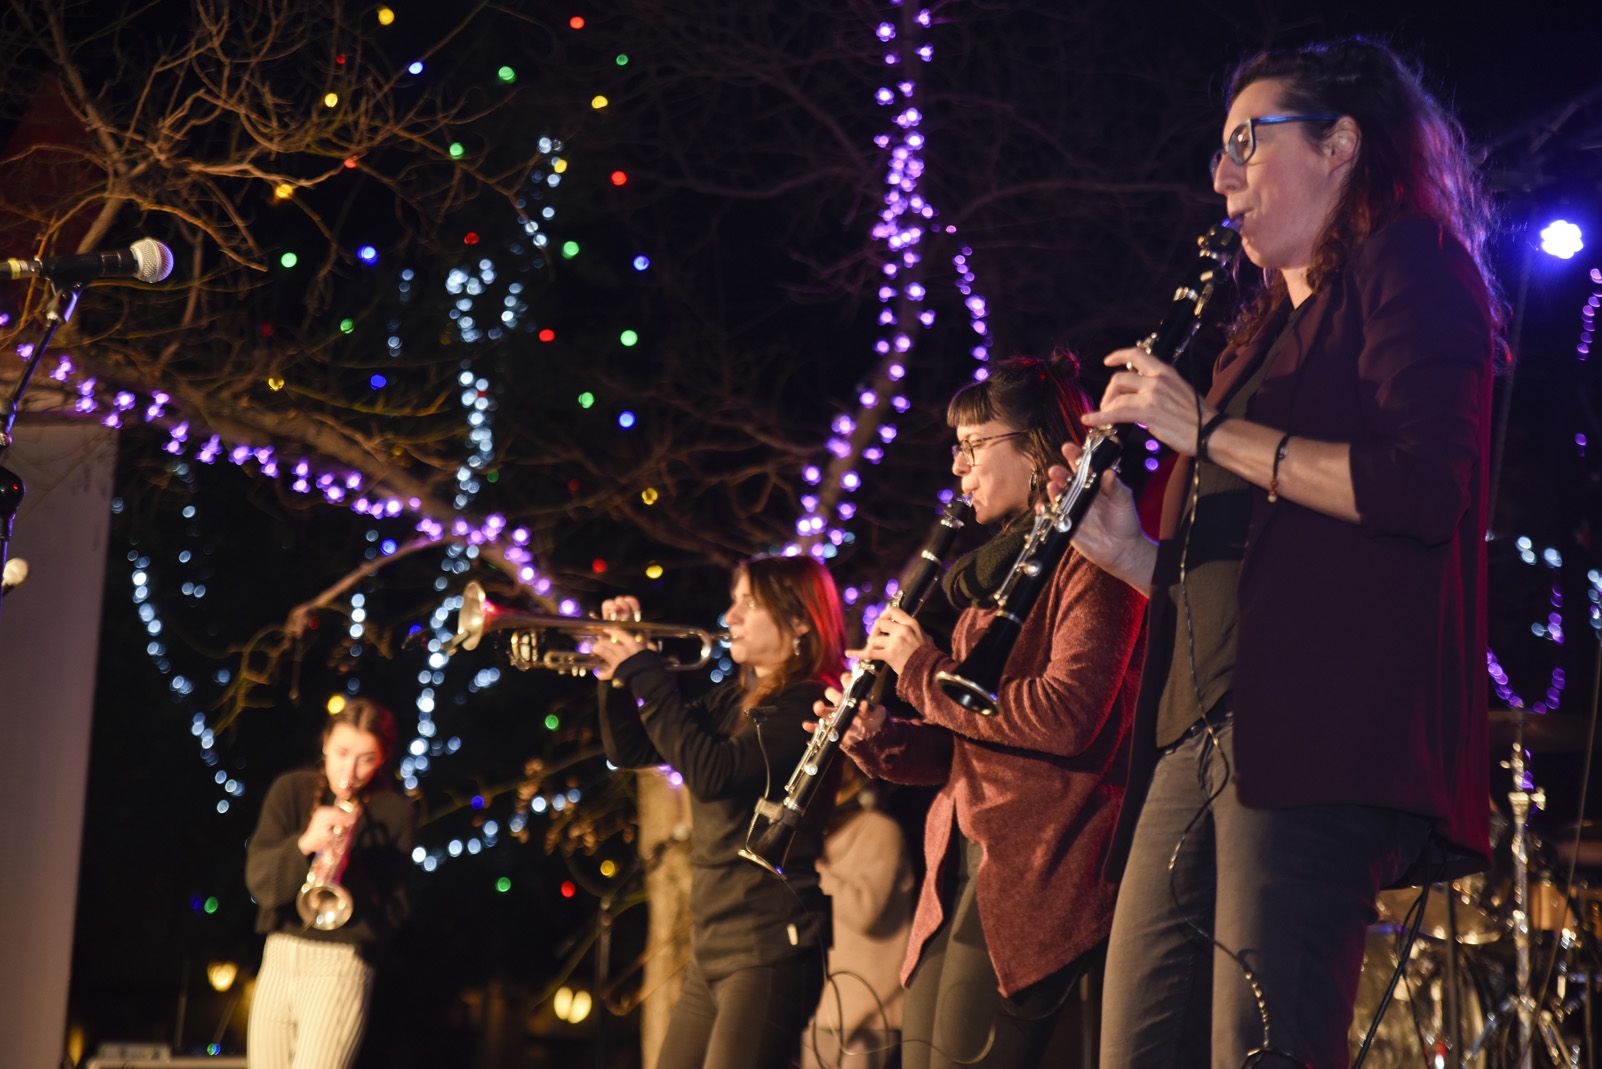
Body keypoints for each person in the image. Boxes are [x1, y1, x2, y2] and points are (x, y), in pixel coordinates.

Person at [1051, 37, 1500, 1069]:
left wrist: (1206, 431)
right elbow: (1240, 578)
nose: (1222, 176)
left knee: (1262, 1048)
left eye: (1248, 142)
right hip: (1194, 732)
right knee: (1135, 1049)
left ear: (1341, 144)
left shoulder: (1412, 262)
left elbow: (1423, 486)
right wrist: (1130, 553)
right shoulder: (1252, 342)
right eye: (1220, 151)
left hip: (1310, 737)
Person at [838, 355, 1148, 1069]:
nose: (959, 467)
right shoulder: (995, 575)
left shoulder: (1091, 557)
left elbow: (1068, 714)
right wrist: (884, 738)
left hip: (1037, 870)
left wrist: (921, 670)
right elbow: (969, 742)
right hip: (959, 864)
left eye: (974, 446)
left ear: (1036, 448)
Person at [592, 554, 847, 1069]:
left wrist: (647, 676)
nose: (730, 617)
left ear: (800, 620)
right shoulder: (736, 698)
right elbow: (633, 750)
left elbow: (713, 773)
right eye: (734, 602)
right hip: (712, 945)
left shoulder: (812, 703)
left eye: (749, 604)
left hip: (767, 948)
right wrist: (615, 679)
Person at [244, 698, 416, 1069]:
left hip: (340, 965)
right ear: (325, 742)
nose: (349, 770)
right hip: (279, 956)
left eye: (366, 759)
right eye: (341, 753)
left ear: (382, 758)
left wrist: (352, 867)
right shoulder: (290, 789)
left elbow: (395, 912)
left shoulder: (394, 812)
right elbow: (261, 885)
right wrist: (305, 843)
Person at [802, 767, 915, 1069]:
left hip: (872, 1014)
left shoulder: (879, 830)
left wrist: (811, 870)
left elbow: (867, 911)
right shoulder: (821, 839)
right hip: (822, 1013)